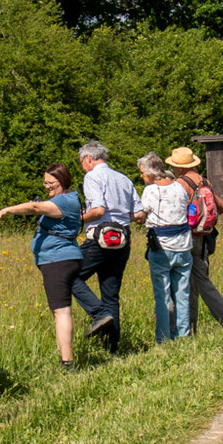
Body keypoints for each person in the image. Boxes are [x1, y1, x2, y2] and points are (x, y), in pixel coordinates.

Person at [0, 164, 84, 369]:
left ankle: (67, 362)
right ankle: (65, 357)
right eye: (45, 183)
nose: (47, 187)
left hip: (57, 260)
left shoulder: (63, 201)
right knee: (60, 310)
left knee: (61, 311)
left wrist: (5, 211)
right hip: (63, 258)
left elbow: (34, 208)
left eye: (51, 183)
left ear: (63, 181)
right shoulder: (69, 199)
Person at [70, 141, 136, 352]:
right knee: (110, 294)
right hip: (123, 240)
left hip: (99, 238)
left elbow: (98, 210)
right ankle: (112, 349)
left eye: (81, 162)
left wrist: (78, 217)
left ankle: (98, 314)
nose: (82, 167)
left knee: (69, 274)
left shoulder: (92, 176)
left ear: (88, 158)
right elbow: (139, 214)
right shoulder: (123, 178)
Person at [167, 145, 223, 333]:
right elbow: (221, 207)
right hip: (203, 239)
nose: (173, 169)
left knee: (180, 282)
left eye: (174, 166)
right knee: (198, 282)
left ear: (180, 167)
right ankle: (193, 327)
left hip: (185, 238)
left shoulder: (180, 184)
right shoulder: (204, 182)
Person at [132, 152, 194, 343]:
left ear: (151, 174)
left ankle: (163, 337)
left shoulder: (151, 191)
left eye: (142, 173)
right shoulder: (179, 187)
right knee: (182, 294)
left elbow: (142, 216)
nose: (142, 177)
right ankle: (183, 334)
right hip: (184, 246)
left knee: (163, 296)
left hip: (162, 248)